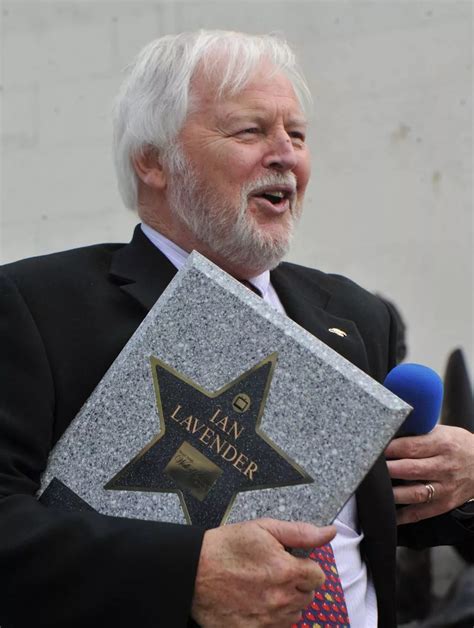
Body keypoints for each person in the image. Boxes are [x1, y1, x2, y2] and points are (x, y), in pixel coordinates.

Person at [0, 30, 473, 628]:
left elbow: (376, 514)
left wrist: (462, 482)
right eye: (250, 132)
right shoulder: (36, 308)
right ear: (153, 160)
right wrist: (184, 574)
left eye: (297, 135)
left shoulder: (353, 315)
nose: (286, 154)